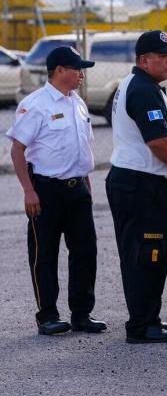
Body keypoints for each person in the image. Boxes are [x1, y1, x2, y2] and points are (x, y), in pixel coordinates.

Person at [7, 46, 106, 336]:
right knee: (44, 255)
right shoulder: (35, 104)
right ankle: (47, 316)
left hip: (78, 189)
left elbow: (81, 148)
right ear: (60, 70)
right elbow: (17, 150)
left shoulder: (77, 102)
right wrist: (28, 191)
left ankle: (82, 313)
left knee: (85, 252)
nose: (82, 75)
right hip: (47, 190)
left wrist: (86, 186)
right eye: (78, 69)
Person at [106, 30, 167, 344]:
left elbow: (156, 137)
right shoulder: (144, 90)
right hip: (141, 186)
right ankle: (143, 326)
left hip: (137, 181)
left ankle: (146, 319)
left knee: (144, 254)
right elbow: (156, 141)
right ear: (144, 61)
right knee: (149, 255)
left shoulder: (142, 84)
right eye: (164, 56)